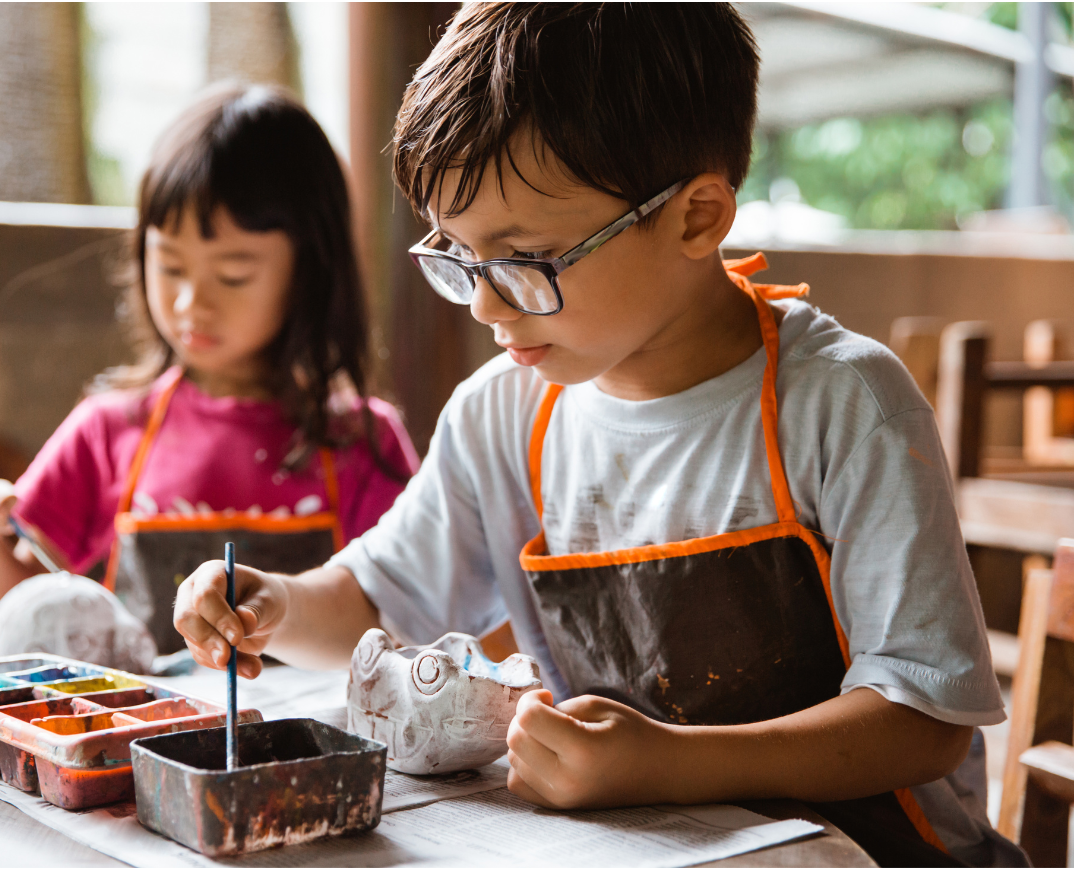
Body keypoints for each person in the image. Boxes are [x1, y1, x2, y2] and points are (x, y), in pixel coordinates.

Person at [172, 5, 1025, 866]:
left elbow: (922, 721)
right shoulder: (503, 413)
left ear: (696, 218)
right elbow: (377, 599)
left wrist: (667, 763)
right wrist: (270, 606)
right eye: (460, 258)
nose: (485, 305)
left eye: (525, 260)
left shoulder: (842, 402)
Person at [0, 85, 418, 654]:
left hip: (314, 739)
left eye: (232, 275)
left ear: (310, 270)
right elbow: (25, 599)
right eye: (170, 266)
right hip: (138, 737)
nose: (189, 304)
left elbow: (407, 612)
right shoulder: (110, 427)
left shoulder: (363, 442)